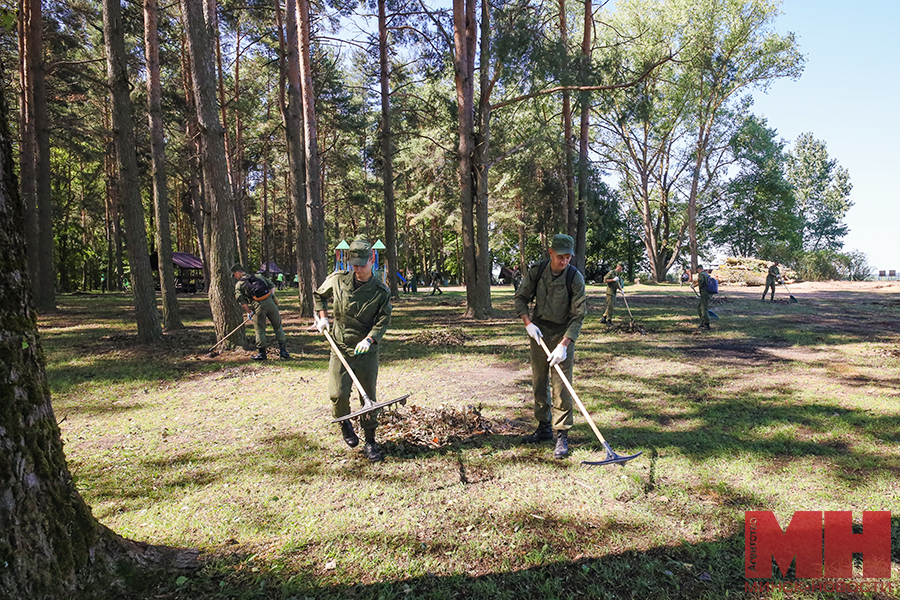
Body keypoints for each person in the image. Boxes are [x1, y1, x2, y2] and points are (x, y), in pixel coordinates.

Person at [314, 238, 392, 463]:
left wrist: (369, 340)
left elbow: (383, 321)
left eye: (361, 264)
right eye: (354, 264)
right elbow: (319, 295)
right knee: (337, 394)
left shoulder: (380, 290)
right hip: (340, 347)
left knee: (368, 398)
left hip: (366, 352)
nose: (357, 269)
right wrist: (323, 318)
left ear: (372, 260)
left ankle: (370, 440)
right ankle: (344, 422)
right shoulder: (338, 280)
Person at [514, 234, 587, 459]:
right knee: (539, 381)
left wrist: (564, 345)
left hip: (563, 333)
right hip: (539, 332)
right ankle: (544, 427)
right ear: (551, 252)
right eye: (561, 257)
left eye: (568, 258)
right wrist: (528, 324)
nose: (564, 262)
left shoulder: (575, 278)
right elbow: (520, 298)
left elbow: (578, 315)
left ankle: (561, 434)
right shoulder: (537, 271)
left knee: (562, 385)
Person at [232, 264, 290, 360]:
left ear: (238, 273)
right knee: (278, 327)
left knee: (260, 329)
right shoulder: (258, 276)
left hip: (258, 306)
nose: (235, 277)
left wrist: (249, 312)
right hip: (271, 304)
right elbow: (273, 286)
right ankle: (283, 351)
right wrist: (270, 297)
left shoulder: (239, 285)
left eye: (234, 275)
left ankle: (262, 353)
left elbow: (242, 302)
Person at [691, 265, 711, 330]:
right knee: (700, 307)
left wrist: (694, 285)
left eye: (697, 270)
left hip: (705, 293)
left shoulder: (701, 274)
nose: (697, 272)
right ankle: (703, 322)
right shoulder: (706, 274)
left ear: (699, 269)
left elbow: (701, 282)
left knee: (703, 308)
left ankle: (706, 324)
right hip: (706, 293)